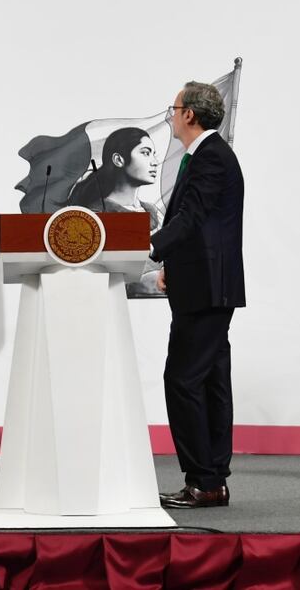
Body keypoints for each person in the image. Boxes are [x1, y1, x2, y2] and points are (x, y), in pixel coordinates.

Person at [151, 82, 245, 509]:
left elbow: (192, 217)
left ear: (189, 114)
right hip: (202, 284)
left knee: (183, 380)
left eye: (173, 108)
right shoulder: (207, 156)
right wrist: (172, 265)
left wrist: (150, 247)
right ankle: (212, 479)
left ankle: (203, 480)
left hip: (207, 288)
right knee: (209, 381)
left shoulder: (210, 158)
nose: (170, 115)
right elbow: (200, 225)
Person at [68, 126, 164, 230]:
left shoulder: (155, 213)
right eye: (145, 153)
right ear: (118, 160)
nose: (155, 162)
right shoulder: (94, 217)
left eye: (153, 154)